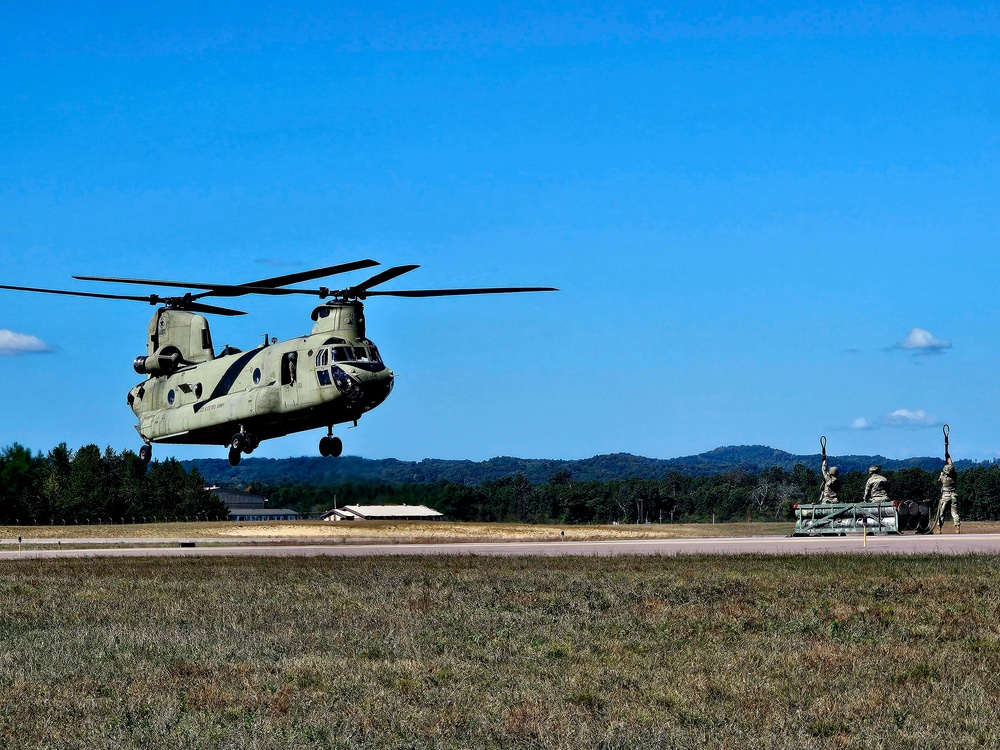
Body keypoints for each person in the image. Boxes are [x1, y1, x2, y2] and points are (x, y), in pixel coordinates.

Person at [936, 430, 960, 534]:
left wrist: (946, 453)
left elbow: (948, 466)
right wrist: (948, 455)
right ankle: (957, 527)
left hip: (945, 495)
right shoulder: (954, 476)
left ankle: (939, 528)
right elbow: (951, 464)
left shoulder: (942, 476)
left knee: (941, 512)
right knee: (954, 513)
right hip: (953, 494)